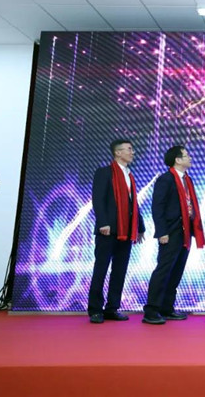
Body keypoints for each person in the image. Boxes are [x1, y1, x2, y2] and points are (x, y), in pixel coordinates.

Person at [143, 146, 205, 325]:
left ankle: (167, 308)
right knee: (164, 269)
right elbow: (158, 207)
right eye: (186, 155)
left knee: (177, 270)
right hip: (171, 232)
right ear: (177, 160)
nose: (190, 158)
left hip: (185, 231)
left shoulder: (187, 179)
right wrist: (162, 232)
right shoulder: (166, 179)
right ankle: (151, 310)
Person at [87, 139, 145, 324]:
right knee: (101, 269)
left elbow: (133, 203)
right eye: (129, 149)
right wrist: (103, 222)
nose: (132, 152)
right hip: (108, 229)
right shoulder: (104, 172)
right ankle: (95, 309)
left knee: (119, 271)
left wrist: (140, 227)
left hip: (125, 230)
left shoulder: (130, 175)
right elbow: (98, 199)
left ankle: (112, 308)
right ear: (117, 153)